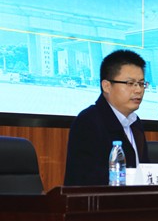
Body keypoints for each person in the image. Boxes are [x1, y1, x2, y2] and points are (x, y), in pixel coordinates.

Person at [64, 49, 150, 186]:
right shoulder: (88, 121)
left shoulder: (135, 123)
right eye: (130, 83)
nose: (138, 90)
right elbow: (86, 178)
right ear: (107, 86)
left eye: (141, 84)